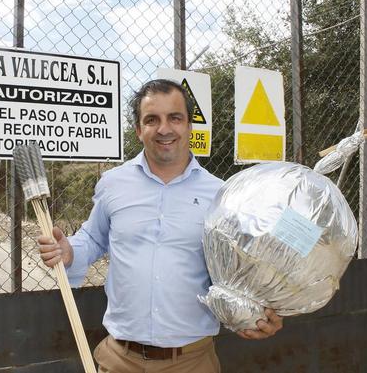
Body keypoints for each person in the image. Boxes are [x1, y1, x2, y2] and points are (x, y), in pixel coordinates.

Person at [38, 79, 283, 373]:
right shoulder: (114, 183)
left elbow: (241, 269)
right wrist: (70, 251)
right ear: (139, 129)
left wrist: (263, 310)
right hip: (119, 360)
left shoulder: (221, 195)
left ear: (189, 126)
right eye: (152, 120)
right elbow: (93, 238)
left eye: (175, 118)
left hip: (193, 362)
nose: (164, 129)